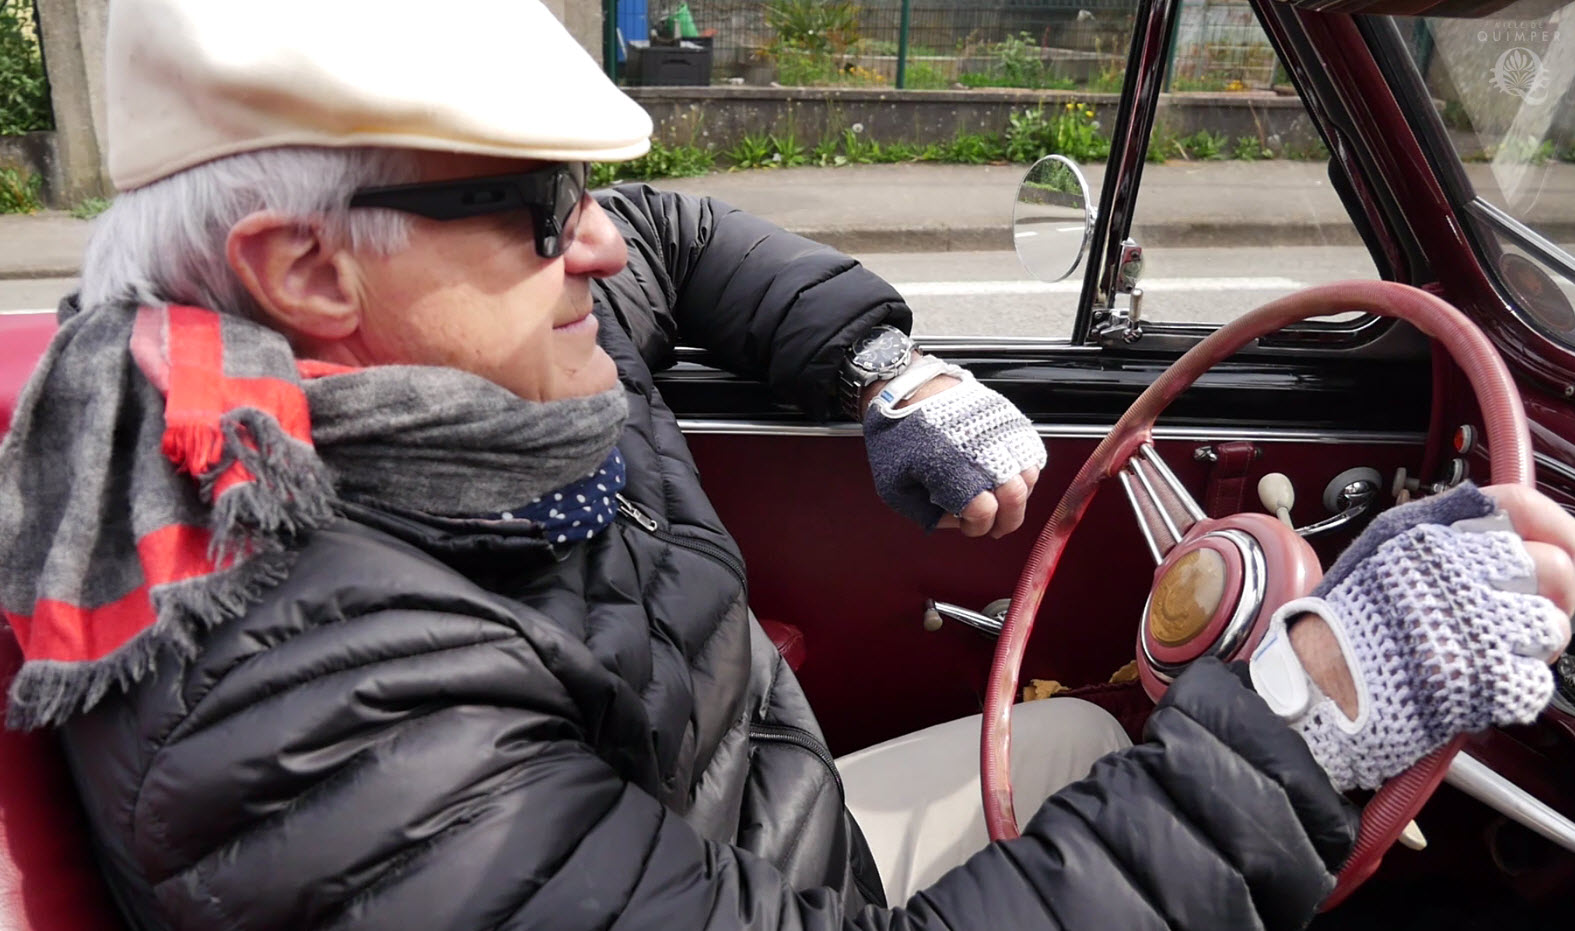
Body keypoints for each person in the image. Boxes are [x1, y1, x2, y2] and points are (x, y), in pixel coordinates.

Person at [0, 1, 1570, 929]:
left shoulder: (431, 363)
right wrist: (1311, 711)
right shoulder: (318, 712)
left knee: (1095, 747)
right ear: (307, 273)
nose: (598, 238)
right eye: (543, 207)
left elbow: (672, 237)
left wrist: (884, 369)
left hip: (761, 847)